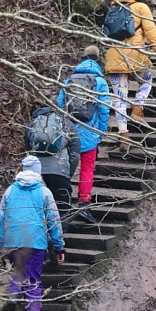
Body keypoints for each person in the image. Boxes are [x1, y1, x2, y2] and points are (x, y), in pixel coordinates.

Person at [0, 154, 65, 311]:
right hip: (35, 241)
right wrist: (59, 246)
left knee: (18, 272)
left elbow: (1, 220)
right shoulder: (44, 192)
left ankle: (14, 296)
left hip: (13, 241)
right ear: (39, 172)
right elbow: (53, 221)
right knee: (33, 279)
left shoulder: (9, 191)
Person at [104, 0, 156, 151]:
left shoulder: (113, 10)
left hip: (114, 56)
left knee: (119, 98)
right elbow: (152, 33)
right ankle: (137, 110)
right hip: (134, 56)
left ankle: (124, 136)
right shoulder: (141, 7)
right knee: (147, 79)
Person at [56, 45, 110, 224]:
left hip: (70, 132)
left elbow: (59, 104)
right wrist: (100, 132)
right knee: (87, 169)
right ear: (98, 60)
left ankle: (61, 203)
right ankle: (83, 203)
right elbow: (104, 109)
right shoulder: (100, 82)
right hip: (89, 132)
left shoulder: (69, 79)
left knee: (65, 168)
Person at [24, 106, 80, 233]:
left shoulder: (32, 125)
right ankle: (61, 241)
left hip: (37, 174)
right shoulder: (67, 124)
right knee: (62, 209)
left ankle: (43, 241)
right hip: (59, 171)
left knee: (39, 208)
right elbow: (75, 154)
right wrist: (68, 173)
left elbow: (28, 150)